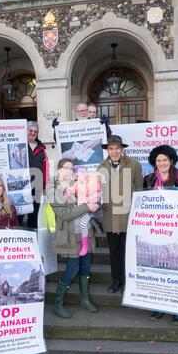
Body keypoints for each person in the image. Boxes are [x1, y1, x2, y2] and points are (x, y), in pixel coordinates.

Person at [144, 145, 178, 325]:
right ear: (154, 163)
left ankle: (177, 310)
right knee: (158, 268)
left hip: (177, 230)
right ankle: (159, 306)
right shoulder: (149, 180)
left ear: (171, 161)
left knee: (176, 269)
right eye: (158, 160)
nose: (162, 163)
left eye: (165, 160)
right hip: (156, 229)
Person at [47, 159, 99, 318]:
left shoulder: (80, 185)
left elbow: (94, 200)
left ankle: (85, 299)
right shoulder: (53, 190)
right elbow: (65, 214)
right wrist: (86, 207)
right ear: (58, 170)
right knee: (72, 270)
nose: (68, 171)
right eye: (65, 168)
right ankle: (58, 304)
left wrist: (96, 204)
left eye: (71, 168)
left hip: (86, 233)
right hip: (70, 236)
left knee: (85, 268)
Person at [98, 135, 143, 293]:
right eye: (111, 149)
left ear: (122, 149)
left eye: (117, 148)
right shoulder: (101, 166)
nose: (115, 151)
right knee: (114, 250)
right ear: (107, 150)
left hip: (127, 216)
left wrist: (138, 213)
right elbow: (99, 191)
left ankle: (128, 281)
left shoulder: (134, 165)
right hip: (110, 216)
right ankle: (116, 280)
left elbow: (139, 190)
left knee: (128, 250)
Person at [64, 167, 102, 256]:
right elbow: (71, 189)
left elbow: (98, 193)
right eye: (78, 175)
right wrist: (68, 192)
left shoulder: (92, 182)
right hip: (82, 209)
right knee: (83, 223)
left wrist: (93, 202)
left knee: (83, 223)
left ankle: (85, 245)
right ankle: (84, 244)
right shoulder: (76, 184)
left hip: (90, 209)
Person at [18, 121, 49, 229]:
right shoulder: (18, 144)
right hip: (21, 187)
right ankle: (19, 239)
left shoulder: (42, 148)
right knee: (19, 215)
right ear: (25, 131)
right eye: (30, 130)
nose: (33, 133)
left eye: (35, 131)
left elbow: (45, 168)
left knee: (34, 215)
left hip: (37, 187)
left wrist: (45, 186)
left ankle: (33, 238)